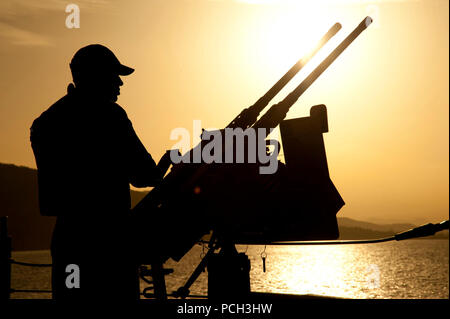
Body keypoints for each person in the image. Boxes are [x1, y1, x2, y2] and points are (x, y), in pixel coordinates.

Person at [30, 44, 172, 300]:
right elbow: (144, 176)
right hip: (111, 245)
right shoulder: (111, 116)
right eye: (113, 75)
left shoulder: (45, 123)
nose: (120, 83)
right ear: (95, 76)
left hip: (69, 243)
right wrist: (166, 165)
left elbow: (53, 197)